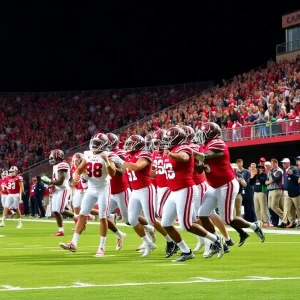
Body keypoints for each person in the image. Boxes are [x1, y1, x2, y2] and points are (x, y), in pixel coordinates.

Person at [193, 122, 265, 251]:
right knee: (202, 213)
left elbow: (207, 156)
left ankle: (254, 226)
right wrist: (193, 161)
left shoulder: (217, 143)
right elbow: (198, 170)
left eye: (203, 134)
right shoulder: (203, 147)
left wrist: (192, 154)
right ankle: (216, 240)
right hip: (214, 186)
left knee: (227, 219)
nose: (201, 136)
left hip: (226, 185)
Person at [161, 127, 225, 261]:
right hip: (174, 191)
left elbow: (184, 157)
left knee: (186, 224)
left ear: (177, 139)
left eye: (169, 138)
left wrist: (172, 155)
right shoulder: (171, 150)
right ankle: (186, 251)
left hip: (186, 189)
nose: (166, 141)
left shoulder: (184, 148)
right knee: (166, 223)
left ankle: (216, 239)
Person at [60, 133, 125, 257]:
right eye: (94, 142)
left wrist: (106, 162)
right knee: (82, 214)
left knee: (102, 217)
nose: (95, 145)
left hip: (103, 189)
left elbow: (112, 173)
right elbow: (80, 168)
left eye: (98, 143)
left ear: (104, 145)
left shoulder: (108, 155)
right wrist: (76, 175)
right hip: (91, 188)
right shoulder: (88, 154)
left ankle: (101, 247)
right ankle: (74, 243)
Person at [117, 135, 177, 258]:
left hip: (146, 190)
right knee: (131, 219)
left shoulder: (144, 154)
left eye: (130, 143)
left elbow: (136, 167)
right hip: (135, 191)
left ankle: (170, 241)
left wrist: (120, 161)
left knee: (151, 220)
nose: (128, 146)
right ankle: (148, 243)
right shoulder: (130, 155)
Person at [41, 149, 78, 236]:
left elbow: (60, 181)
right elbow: (56, 181)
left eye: (53, 157)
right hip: (58, 189)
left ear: (58, 157)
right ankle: (61, 230)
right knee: (56, 210)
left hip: (63, 189)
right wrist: (51, 184)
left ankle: (78, 218)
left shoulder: (63, 165)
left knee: (60, 210)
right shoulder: (56, 165)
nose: (51, 159)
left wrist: (49, 181)